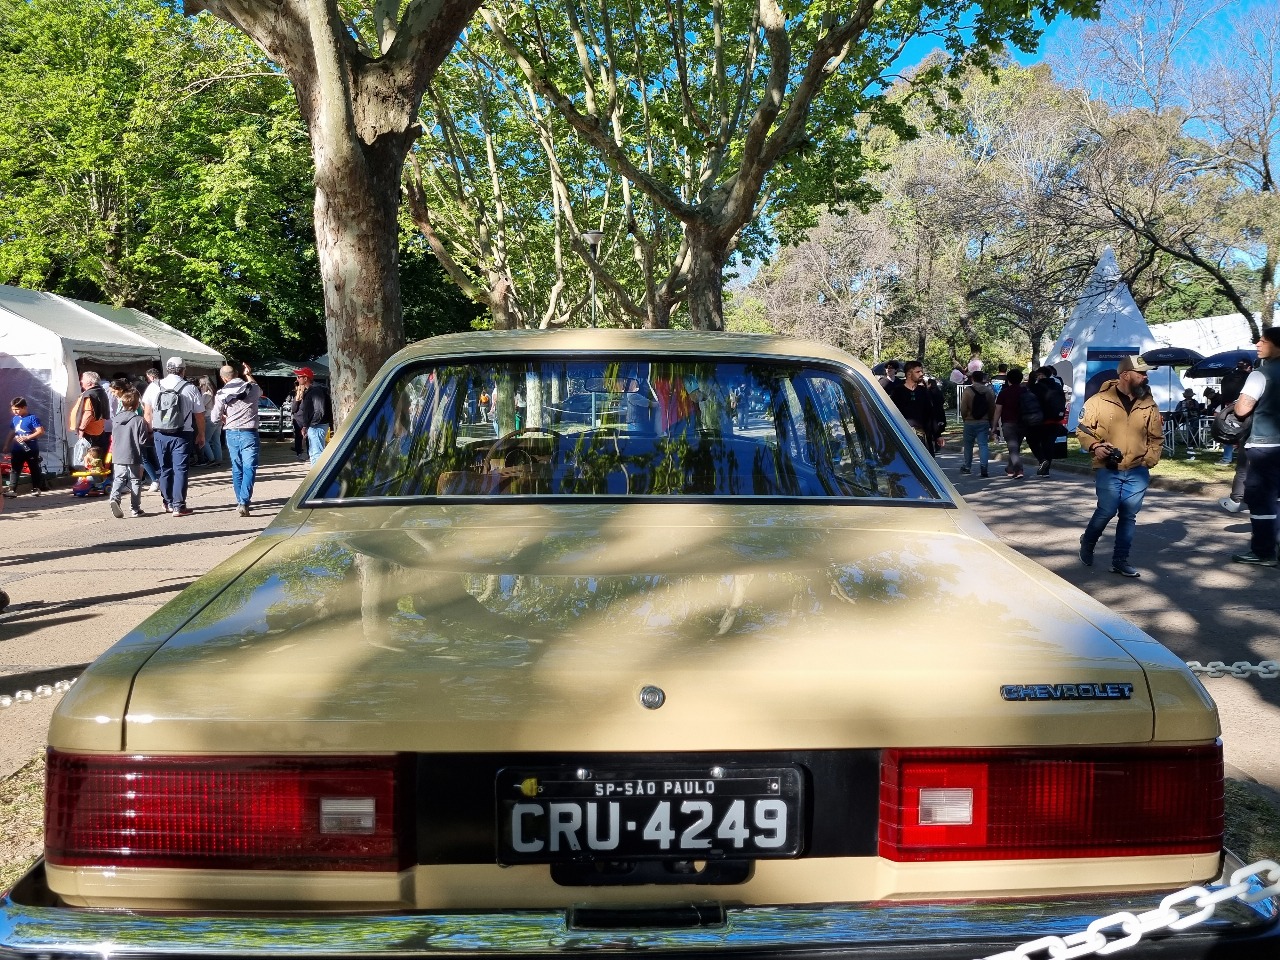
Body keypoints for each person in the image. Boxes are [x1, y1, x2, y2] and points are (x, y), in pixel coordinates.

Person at [1075, 354, 1164, 578]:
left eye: (1146, 374)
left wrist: (1149, 460)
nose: (1145, 377)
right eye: (1141, 373)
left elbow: (1156, 438)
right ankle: (1088, 542)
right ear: (1125, 375)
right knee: (1107, 510)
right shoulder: (1098, 401)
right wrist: (1095, 446)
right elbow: (1082, 429)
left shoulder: (1149, 404)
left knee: (1128, 516)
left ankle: (1120, 561)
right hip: (1108, 468)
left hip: (1137, 470)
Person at [1228, 328, 1280, 566]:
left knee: (1261, 499)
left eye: (1263, 341)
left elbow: (1242, 409)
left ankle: (1263, 552)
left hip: (1265, 444)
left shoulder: (1261, 374)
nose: (1258, 343)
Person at [142, 357, 205, 516]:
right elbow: (199, 415)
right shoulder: (190, 388)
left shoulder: (154, 386)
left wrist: (149, 432)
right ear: (183, 370)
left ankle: (167, 502)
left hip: (159, 433)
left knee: (164, 468)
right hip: (183, 433)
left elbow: (147, 413)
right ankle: (179, 506)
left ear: (167, 369)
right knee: (180, 469)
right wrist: (201, 434)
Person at [212, 362, 263, 516]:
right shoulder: (252, 388)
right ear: (236, 375)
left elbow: (214, 417)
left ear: (224, 379)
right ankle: (244, 501)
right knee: (250, 467)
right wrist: (248, 374)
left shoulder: (221, 394)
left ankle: (240, 501)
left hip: (232, 433)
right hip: (250, 433)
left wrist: (223, 417)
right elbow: (259, 389)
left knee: (237, 467)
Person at [106, 381, 149, 518]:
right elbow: (143, 440)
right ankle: (135, 509)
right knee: (135, 480)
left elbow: (113, 436)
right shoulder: (138, 420)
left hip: (118, 453)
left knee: (119, 478)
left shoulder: (116, 419)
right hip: (133, 453)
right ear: (136, 405)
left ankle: (114, 498)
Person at [891, 360, 941, 455]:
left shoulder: (923, 391)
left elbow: (931, 414)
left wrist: (937, 435)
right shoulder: (898, 392)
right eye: (918, 372)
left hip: (923, 436)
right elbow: (892, 414)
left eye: (921, 371)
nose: (921, 374)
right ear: (909, 374)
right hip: (904, 436)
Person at [4, 397, 51, 496]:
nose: (15, 412)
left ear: (24, 407)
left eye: (17, 409)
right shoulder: (15, 419)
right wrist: (7, 444)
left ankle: (36, 488)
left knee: (33, 468)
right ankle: (12, 490)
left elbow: (40, 431)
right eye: (13, 409)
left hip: (31, 448)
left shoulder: (32, 418)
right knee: (15, 469)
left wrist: (28, 437)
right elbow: (12, 432)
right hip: (17, 448)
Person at [1029, 365, 1068, 476]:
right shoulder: (1058, 386)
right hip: (1056, 419)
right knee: (1049, 444)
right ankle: (1046, 470)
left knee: (1033, 441)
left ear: (1041, 375)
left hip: (1041, 420)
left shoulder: (1037, 387)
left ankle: (1042, 460)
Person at [958, 370, 996, 477]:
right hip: (983, 421)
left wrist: (965, 418)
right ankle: (984, 467)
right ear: (982, 378)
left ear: (972, 378)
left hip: (970, 421)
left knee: (968, 445)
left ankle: (967, 466)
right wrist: (990, 419)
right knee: (983, 445)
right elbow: (992, 407)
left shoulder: (968, 391)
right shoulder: (988, 391)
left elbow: (963, 408)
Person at [1217, 359, 1253, 469]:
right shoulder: (1250, 378)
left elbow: (1223, 394)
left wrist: (1224, 408)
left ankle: (1227, 458)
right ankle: (1246, 458)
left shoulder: (1227, 377)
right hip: (1245, 407)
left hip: (1229, 408)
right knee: (1248, 433)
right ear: (1249, 367)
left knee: (1229, 432)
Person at [294, 367, 333, 465]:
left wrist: (311, 424)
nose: (297, 379)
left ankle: (318, 477)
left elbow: (319, 411)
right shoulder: (311, 390)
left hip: (317, 426)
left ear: (306, 378)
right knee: (313, 453)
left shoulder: (316, 390)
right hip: (314, 426)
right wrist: (306, 426)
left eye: (299, 377)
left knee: (316, 454)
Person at [993, 367, 1027, 478]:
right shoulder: (1025, 391)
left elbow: (998, 410)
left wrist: (994, 426)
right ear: (1021, 379)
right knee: (1015, 448)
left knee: (1013, 448)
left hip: (1008, 423)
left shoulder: (1004, 393)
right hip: (1023, 423)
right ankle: (1010, 469)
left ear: (1009, 380)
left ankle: (1019, 469)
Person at [68, 371, 110, 456]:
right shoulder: (99, 391)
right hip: (97, 430)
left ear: (89, 382)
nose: (81, 382)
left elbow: (88, 413)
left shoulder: (90, 394)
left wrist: (81, 429)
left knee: (90, 457)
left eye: (82, 379)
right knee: (96, 456)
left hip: (89, 432)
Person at [198, 375, 224, 466]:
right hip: (218, 418)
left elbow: (200, 406)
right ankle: (218, 460)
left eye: (201, 385)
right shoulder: (216, 393)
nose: (200, 386)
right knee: (216, 440)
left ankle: (211, 459)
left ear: (204, 384)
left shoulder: (206, 394)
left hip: (209, 418)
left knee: (204, 440)